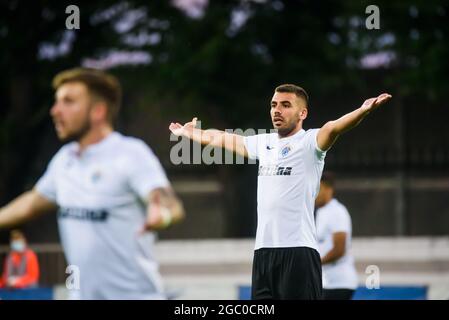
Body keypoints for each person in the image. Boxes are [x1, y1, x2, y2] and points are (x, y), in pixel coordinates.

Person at [169, 84, 391, 299]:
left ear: (302, 112)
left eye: (286, 105)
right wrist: (191, 134)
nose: (277, 110)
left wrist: (362, 111)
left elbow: (333, 127)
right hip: (264, 253)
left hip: (299, 253)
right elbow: (221, 138)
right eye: (274, 104)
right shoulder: (264, 143)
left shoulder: (309, 143)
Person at [0, 68, 185, 299]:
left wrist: (162, 215)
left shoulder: (130, 153)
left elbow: (170, 204)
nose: (55, 111)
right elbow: (31, 204)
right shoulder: (64, 159)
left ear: (98, 111)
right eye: (57, 102)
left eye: (68, 102)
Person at [315, 172, 358, 300]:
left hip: (339, 284)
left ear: (329, 189)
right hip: (326, 283)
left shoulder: (337, 211)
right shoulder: (320, 212)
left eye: (318, 189)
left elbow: (339, 250)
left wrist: (314, 264)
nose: (314, 193)